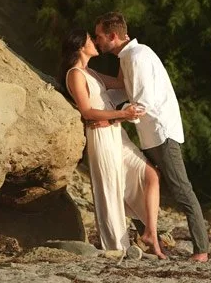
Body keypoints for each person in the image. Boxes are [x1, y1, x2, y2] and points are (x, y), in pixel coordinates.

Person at [91, 12, 211, 261]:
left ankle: (201, 251)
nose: (97, 40)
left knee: (182, 190)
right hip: (150, 135)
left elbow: (142, 102)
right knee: (141, 180)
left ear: (113, 36)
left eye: (99, 36)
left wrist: (113, 117)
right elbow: (120, 87)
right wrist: (84, 73)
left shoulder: (137, 57)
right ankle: (148, 235)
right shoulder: (128, 57)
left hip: (161, 133)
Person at [60, 29, 166, 260]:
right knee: (109, 189)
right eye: (90, 39)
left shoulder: (92, 73)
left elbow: (120, 84)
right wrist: (121, 115)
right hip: (101, 136)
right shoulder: (75, 74)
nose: (95, 42)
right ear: (80, 46)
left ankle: (150, 233)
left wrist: (123, 52)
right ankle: (116, 247)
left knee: (150, 175)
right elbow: (87, 111)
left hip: (116, 133)